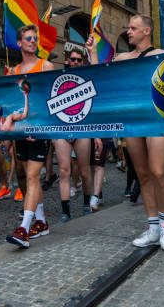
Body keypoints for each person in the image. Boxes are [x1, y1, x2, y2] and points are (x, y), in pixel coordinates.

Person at [86, 14, 164, 251]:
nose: (128, 31)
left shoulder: (161, 55)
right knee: (143, 174)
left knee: (158, 171)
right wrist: (93, 54)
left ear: (146, 31)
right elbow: (103, 78)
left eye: (133, 28)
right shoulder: (123, 57)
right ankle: (153, 227)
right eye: (128, 27)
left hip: (157, 120)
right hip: (132, 122)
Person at [5, 24, 54, 248]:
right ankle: (42, 222)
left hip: (40, 131)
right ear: (19, 43)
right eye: (28, 38)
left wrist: (40, 127)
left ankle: (24, 228)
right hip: (21, 131)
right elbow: (12, 102)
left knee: (34, 177)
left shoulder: (46, 65)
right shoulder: (14, 71)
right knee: (27, 176)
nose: (33, 41)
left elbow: (51, 99)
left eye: (35, 38)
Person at [53, 50, 98, 221]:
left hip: (83, 129)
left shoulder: (87, 77)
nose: (76, 62)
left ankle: (86, 204)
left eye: (79, 60)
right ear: (67, 60)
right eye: (73, 59)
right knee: (64, 171)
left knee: (85, 172)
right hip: (62, 129)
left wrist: (98, 135)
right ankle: (66, 212)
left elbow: (99, 74)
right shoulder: (58, 76)